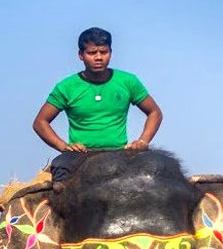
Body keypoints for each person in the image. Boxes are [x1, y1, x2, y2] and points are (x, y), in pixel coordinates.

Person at [33, 27, 163, 182]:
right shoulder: (67, 87)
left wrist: (143, 141)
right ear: (81, 55)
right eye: (92, 53)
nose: (99, 57)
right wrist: (63, 147)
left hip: (120, 153)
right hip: (80, 156)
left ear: (110, 53)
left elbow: (154, 112)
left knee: (158, 173)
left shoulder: (128, 81)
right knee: (60, 174)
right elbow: (40, 122)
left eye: (104, 52)